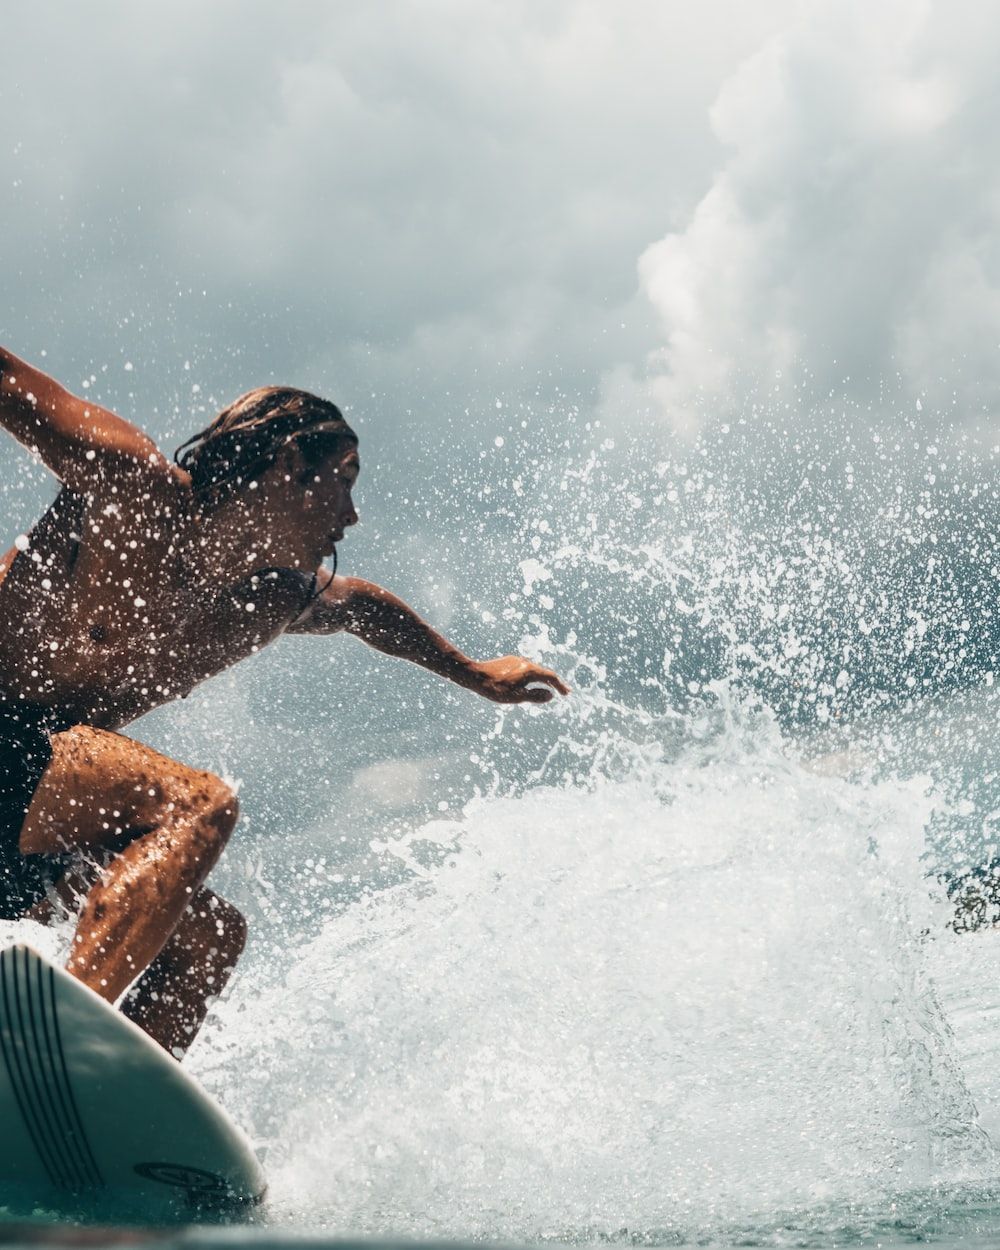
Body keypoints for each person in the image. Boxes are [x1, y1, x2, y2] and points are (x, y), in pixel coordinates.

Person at [0, 346, 569, 1057]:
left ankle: (105, 1116)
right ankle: (54, 1051)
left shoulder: (263, 601)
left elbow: (362, 609)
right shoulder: (136, 492)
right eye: (344, 481)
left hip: (26, 806)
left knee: (209, 942)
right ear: (287, 465)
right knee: (198, 805)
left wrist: (476, 673)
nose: (353, 515)